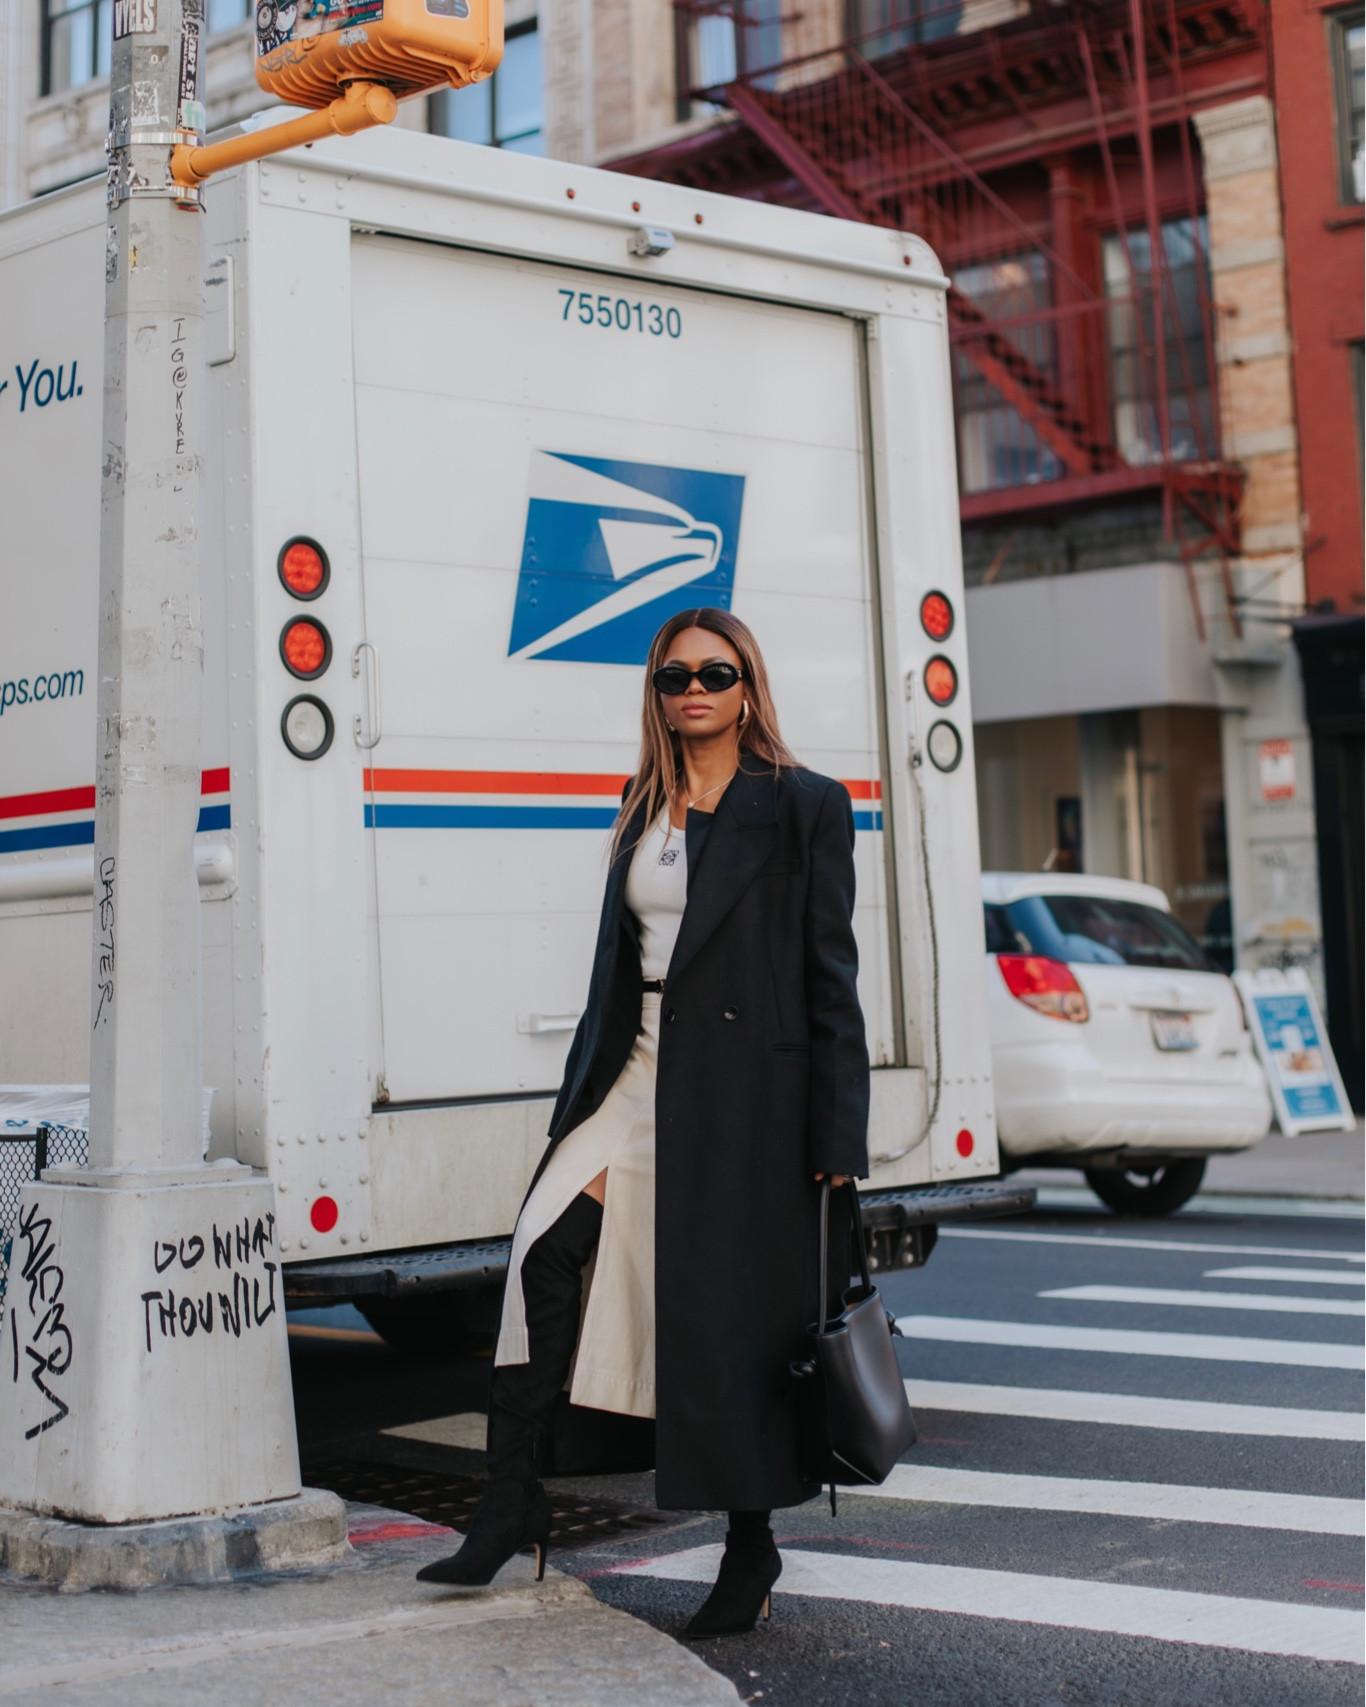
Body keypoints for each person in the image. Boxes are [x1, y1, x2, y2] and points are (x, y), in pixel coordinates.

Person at [417, 606, 871, 1637]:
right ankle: (509, 1504)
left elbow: (830, 978)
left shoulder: (803, 807)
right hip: (633, 1077)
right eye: (675, 676)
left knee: (729, 1328)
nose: (694, 689)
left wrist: (837, 1140)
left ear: (748, 688)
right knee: (539, 1254)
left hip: (744, 1100)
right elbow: (616, 965)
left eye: (715, 673)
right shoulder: (640, 803)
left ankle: (750, 1547)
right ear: (655, 694)